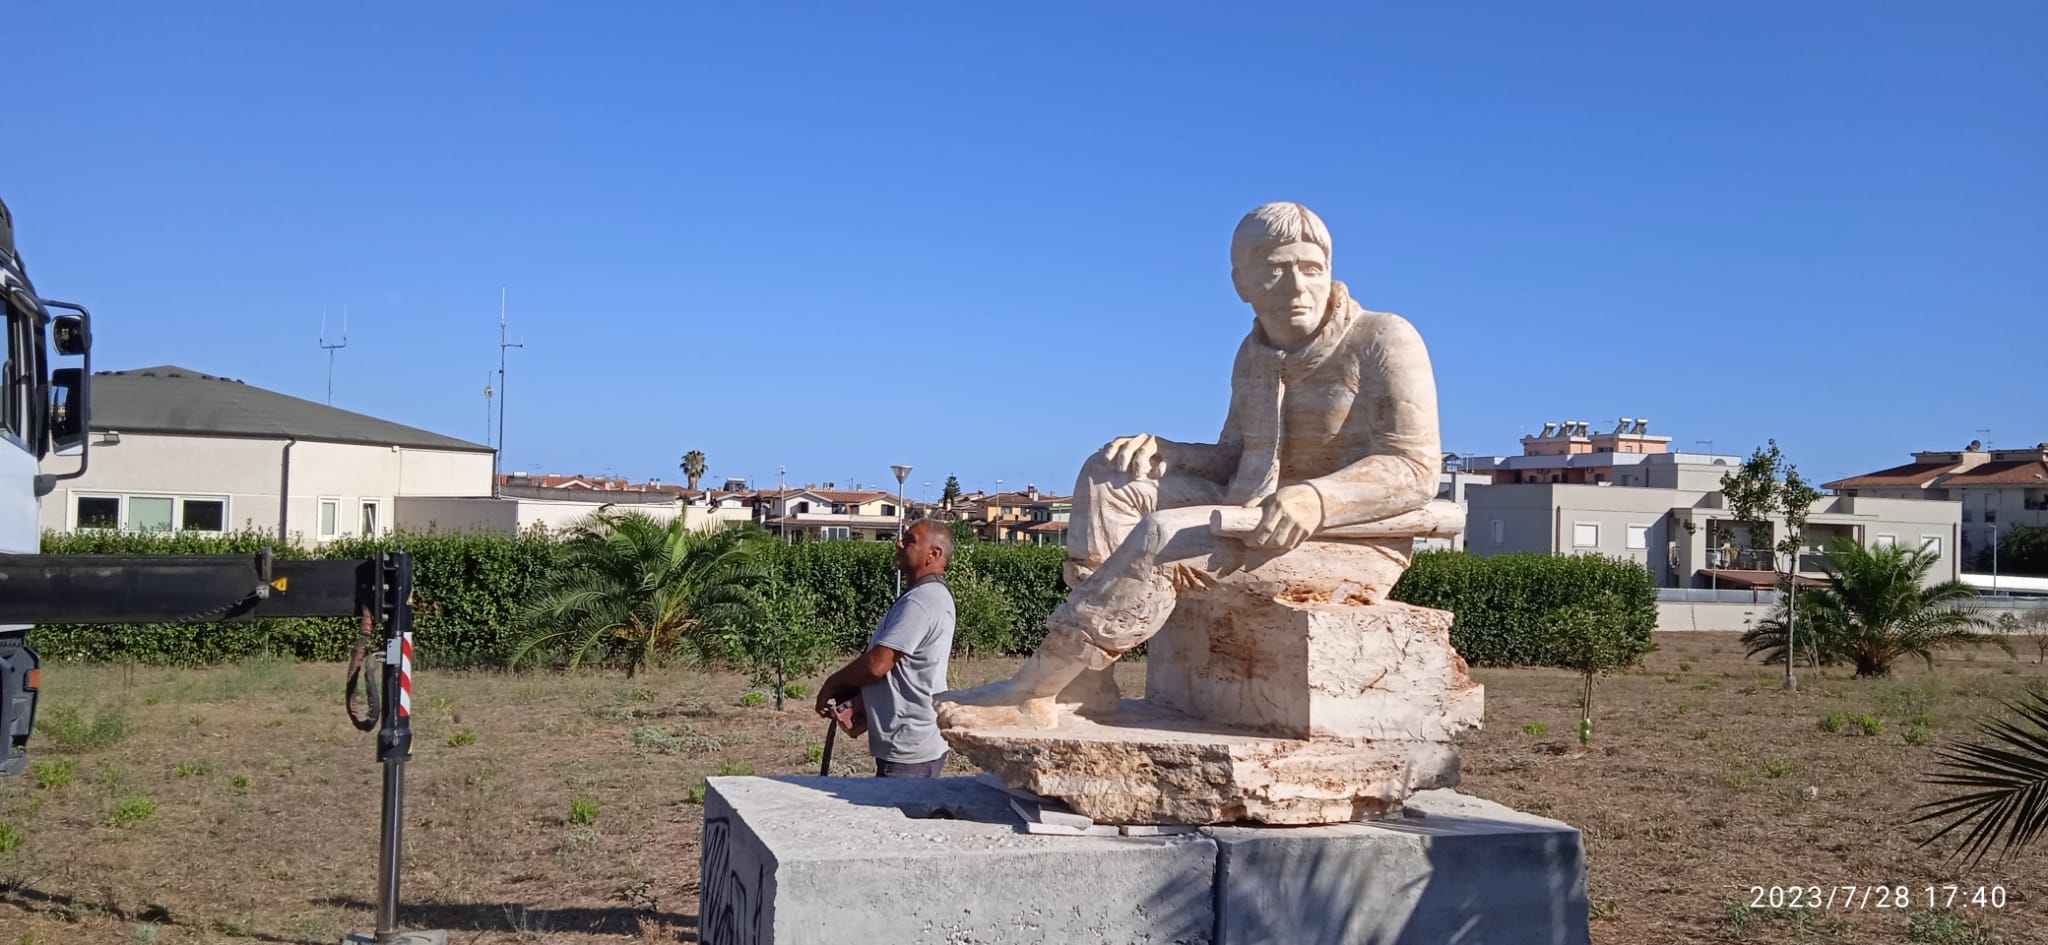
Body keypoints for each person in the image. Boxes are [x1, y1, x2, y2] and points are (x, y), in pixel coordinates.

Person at [938, 201, 1442, 730]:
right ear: (1242, 281)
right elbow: (1235, 459)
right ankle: (1087, 679)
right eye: (1276, 268)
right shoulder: (1255, 354)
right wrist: (1168, 451)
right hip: (1250, 520)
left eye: (1311, 268)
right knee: (1108, 475)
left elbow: (1414, 467)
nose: (1297, 286)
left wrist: (1316, 497)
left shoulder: (1384, 339)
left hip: (1344, 539)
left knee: (1164, 533)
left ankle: (1035, 688)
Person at [815, 519, 957, 777]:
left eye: (910, 540)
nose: (899, 543)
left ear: (933, 554)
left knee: (899, 816)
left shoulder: (922, 601)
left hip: (909, 747)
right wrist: (858, 697)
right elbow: (899, 669)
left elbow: (877, 665)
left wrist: (832, 684)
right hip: (909, 739)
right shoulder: (925, 595)